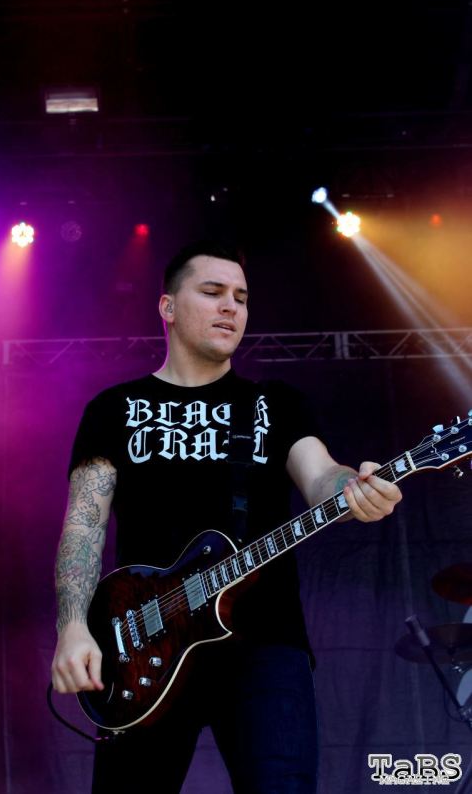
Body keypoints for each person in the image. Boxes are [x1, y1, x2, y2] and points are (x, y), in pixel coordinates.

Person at [51, 241, 402, 793]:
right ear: (168, 307)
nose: (230, 307)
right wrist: (73, 626)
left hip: (265, 642)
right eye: (213, 292)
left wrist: (352, 489)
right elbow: (83, 526)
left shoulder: (274, 403)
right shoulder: (113, 409)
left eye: (241, 297)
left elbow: (321, 477)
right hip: (142, 646)